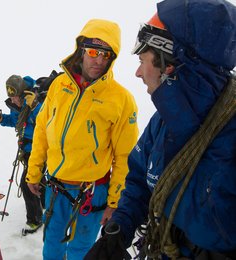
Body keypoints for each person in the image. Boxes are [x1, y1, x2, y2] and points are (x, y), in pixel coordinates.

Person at [85, 0, 236, 259]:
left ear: (171, 64)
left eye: (143, 60)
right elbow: (140, 180)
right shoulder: (162, 122)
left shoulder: (230, 136)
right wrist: (119, 229)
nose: (138, 72)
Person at [26, 19, 139, 260]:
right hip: (56, 186)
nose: (99, 60)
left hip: (93, 192)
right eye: (93, 52)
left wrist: (115, 202)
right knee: (52, 246)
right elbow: (42, 131)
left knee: (82, 251)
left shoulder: (121, 99)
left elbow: (125, 156)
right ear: (81, 50)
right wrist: (33, 171)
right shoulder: (59, 85)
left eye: (106, 55)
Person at [0, 74, 44, 234]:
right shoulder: (17, 104)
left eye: (15, 98)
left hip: (41, 151)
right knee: (39, 180)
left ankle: (35, 220)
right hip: (27, 150)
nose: (12, 101)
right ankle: (44, 203)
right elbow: (15, 121)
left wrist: (34, 106)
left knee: (27, 184)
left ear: (22, 94)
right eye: (10, 98)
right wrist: (0, 119)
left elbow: (47, 122)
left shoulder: (37, 102)